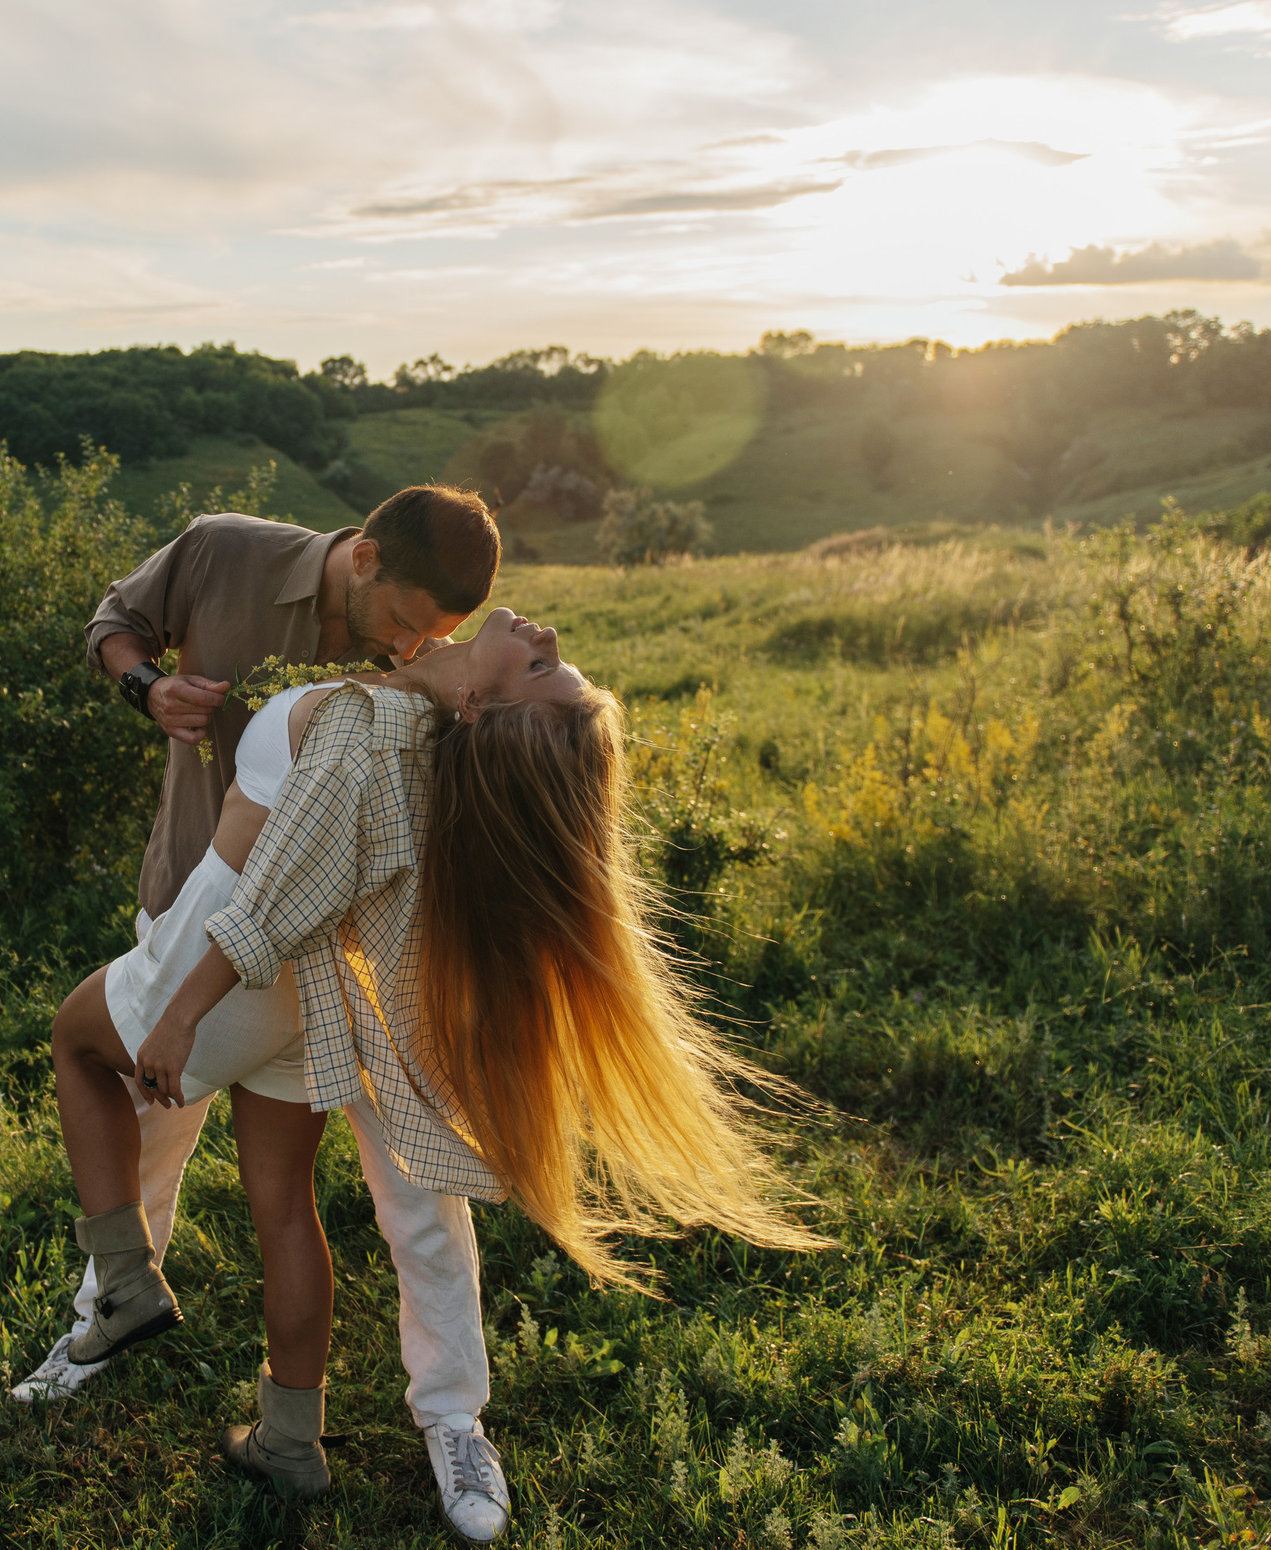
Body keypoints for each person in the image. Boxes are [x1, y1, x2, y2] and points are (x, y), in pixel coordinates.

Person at [50, 609, 827, 1517]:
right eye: (550, 658)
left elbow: (273, 898)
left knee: (75, 1040)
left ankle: (127, 1280)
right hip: (313, 1007)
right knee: (285, 1211)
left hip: (230, 973)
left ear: (476, 704)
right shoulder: (439, 734)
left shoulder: (370, 728)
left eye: (541, 665)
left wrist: (181, 1013)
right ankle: (287, 1437)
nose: (547, 634)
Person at [16, 486, 520, 1543]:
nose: (416, 646)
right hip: (220, 913)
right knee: (213, 1165)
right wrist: (148, 689)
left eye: (439, 638)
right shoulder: (221, 555)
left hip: (320, 956)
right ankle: (131, 1342)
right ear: (366, 556)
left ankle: (448, 1417)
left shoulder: (385, 691)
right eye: (407, 624)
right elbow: (114, 622)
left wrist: (193, 993)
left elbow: (287, 874)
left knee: (415, 1193)